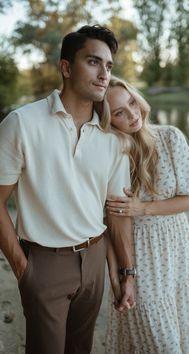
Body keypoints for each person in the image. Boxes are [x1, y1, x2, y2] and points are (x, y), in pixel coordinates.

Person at [0, 26, 136, 354]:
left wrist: (126, 272)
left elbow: (117, 212)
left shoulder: (114, 140)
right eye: (93, 61)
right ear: (65, 67)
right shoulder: (22, 123)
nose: (104, 73)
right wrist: (23, 268)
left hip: (94, 259)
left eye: (108, 65)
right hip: (45, 263)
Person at [104, 76, 189, 354]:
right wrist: (116, 278)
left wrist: (143, 208)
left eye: (132, 103)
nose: (132, 114)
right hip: (137, 256)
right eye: (119, 113)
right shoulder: (110, 153)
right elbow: (109, 222)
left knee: (176, 329)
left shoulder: (171, 137)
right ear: (108, 120)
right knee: (161, 342)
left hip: (176, 250)